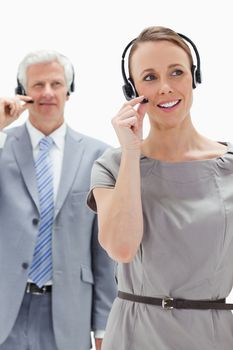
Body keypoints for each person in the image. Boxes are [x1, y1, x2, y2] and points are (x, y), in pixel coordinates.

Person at [87, 25, 233, 349]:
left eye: (177, 72)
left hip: (213, 335)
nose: (165, 87)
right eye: (150, 77)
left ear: (194, 77)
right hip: (134, 333)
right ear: (132, 90)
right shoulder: (111, 165)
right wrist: (130, 151)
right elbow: (121, 248)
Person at [0, 50, 117, 350]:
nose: (48, 93)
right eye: (38, 85)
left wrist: (104, 325)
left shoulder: (97, 155)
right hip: (5, 309)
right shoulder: (2, 147)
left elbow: (104, 252)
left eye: (56, 84)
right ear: (22, 93)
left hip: (68, 315)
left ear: (69, 91)